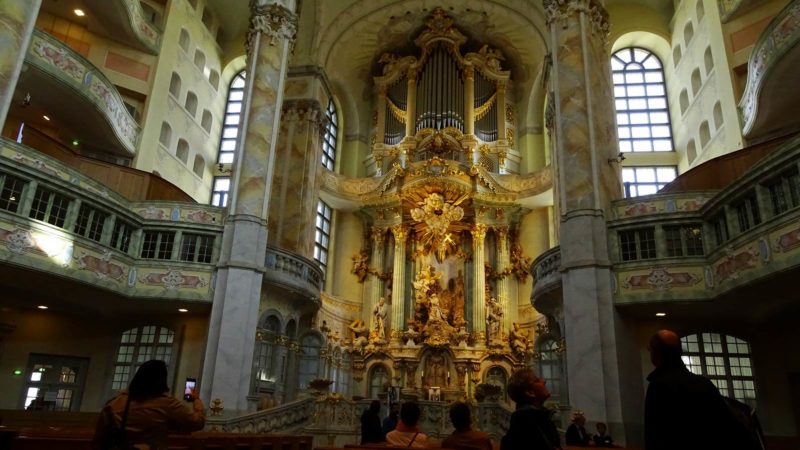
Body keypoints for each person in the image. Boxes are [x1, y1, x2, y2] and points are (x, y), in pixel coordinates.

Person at [645, 330, 752, 450]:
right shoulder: (704, 384)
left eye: (650, 349)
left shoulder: (658, 386)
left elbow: (655, 434)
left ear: (656, 354)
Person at [92, 360, 205, 450]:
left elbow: (99, 441)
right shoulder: (167, 403)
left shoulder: (115, 403)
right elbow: (197, 422)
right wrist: (196, 400)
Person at [500, 369, 561, 450]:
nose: (544, 381)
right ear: (530, 393)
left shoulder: (539, 418)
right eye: (537, 380)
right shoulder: (525, 425)